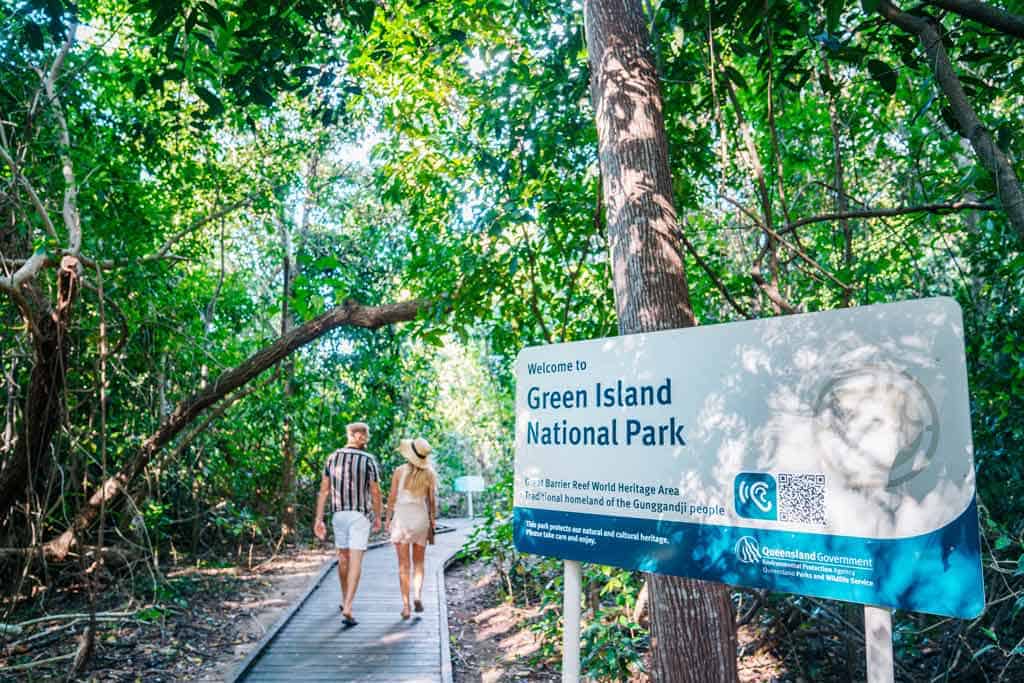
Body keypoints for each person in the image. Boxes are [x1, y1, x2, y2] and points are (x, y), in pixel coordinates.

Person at [314, 421, 382, 626]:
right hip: (359, 515)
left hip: (338, 514)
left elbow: (324, 490)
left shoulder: (332, 457)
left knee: (343, 558)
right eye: (365, 435)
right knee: (355, 560)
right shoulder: (368, 460)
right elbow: (375, 491)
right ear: (360, 436)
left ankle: (345, 600)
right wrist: (379, 516)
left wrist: (318, 518)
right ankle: (349, 606)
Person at [385, 437, 438, 619]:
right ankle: (417, 595)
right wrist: (432, 520)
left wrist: (387, 518)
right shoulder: (430, 473)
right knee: (419, 563)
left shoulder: (399, 471)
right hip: (420, 519)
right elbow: (431, 501)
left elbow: (392, 498)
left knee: (403, 565)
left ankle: (406, 606)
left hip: (402, 520)